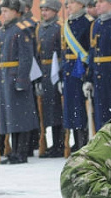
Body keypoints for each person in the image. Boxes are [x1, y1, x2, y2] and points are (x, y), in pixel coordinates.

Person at [0, 0, 39, 164]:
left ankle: (22, 152)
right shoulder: (2, 31)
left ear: (16, 12)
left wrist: (22, 79)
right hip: (5, 76)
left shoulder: (21, 30)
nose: (3, 14)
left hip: (16, 76)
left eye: (7, 11)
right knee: (10, 117)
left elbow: (26, 57)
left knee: (21, 116)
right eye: (2, 11)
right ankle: (14, 151)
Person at [83, 0, 111, 131]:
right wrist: (89, 78)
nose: (97, 5)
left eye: (101, 2)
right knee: (99, 113)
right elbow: (93, 53)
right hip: (98, 76)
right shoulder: (96, 24)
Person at [61, 0, 92, 152]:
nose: (69, 6)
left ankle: (83, 141)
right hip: (69, 70)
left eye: (73, 2)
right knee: (71, 107)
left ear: (81, 4)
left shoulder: (88, 22)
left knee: (80, 107)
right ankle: (76, 140)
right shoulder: (67, 23)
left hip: (80, 69)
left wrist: (87, 72)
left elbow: (89, 49)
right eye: (68, 3)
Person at [37, 0, 65, 158]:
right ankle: (52, 144)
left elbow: (61, 52)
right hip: (44, 70)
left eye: (47, 10)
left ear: (55, 11)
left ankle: (60, 144)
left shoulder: (59, 27)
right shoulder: (40, 28)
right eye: (42, 10)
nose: (44, 13)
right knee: (47, 110)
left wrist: (60, 73)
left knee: (57, 110)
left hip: (55, 69)